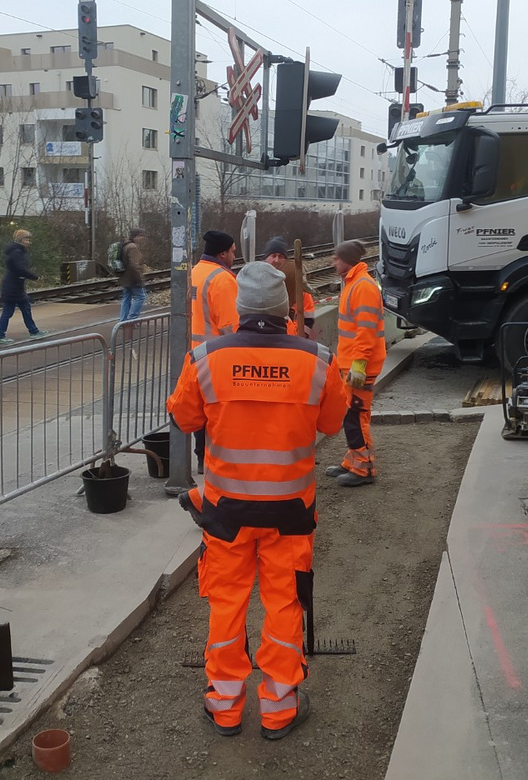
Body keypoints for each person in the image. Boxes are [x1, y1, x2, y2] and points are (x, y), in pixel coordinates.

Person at [166, 261, 348, 741]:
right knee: (283, 602)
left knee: (226, 603)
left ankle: (224, 706)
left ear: (240, 311)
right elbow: (332, 424)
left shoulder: (206, 358)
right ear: (287, 311)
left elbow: (183, 419)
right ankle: (279, 709)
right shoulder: (318, 360)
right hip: (290, 512)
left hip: (226, 514)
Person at [324, 240, 385, 486]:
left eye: (336, 258)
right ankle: (353, 461)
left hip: (360, 366)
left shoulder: (362, 287)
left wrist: (359, 364)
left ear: (347, 260)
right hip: (353, 364)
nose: (333, 262)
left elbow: (366, 331)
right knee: (353, 414)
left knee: (355, 416)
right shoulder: (356, 284)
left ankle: (363, 469)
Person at [187, 229, 239, 478]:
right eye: (232, 252)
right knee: (218, 412)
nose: (234, 256)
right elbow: (231, 326)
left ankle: (200, 457)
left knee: (200, 409)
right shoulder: (223, 278)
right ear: (222, 252)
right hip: (217, 355)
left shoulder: (194, 272)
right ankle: (214, 459)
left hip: (193, 353)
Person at [0, 229, 46, 344]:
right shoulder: (17, 252)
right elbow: (20, 269)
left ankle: (34, 331)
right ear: (21, 240)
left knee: (25, 308)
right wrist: (35, 277)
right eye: (27, 239)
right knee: (8, 312)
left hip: (14, 286)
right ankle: (0, 335)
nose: (29, 242)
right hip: (13, 288)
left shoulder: (17, 251)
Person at [262, 237, 315, 338]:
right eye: (273, 256)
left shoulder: (299, 286)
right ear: (266, 258)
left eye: (281, 256)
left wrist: (303, 336)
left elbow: (308, 316)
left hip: (295, 339)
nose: (276, 260)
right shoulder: (258, 284)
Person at [118, 228, 147, 323]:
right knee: (141, 297)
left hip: (125, 277)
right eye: (141, 236)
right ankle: (132, 319)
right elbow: (134, 265)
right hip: (133, 278)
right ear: (136, 236)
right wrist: (139, 279)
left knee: (126, 298)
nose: (142, 238)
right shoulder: (133, 247)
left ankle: (123, 320)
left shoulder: (125, 245)